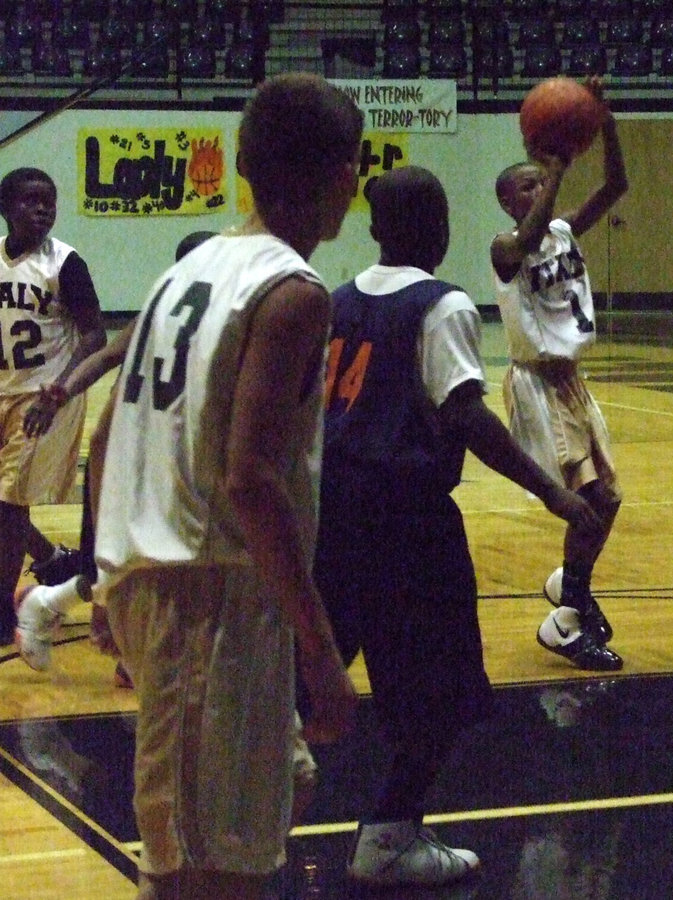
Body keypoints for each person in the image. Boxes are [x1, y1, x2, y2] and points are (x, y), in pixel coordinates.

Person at [93, 73, 361, 900]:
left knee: (266, 800)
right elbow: (249, 479)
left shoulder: (192, 265)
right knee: (206, 870)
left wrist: (106, 576)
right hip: (210, 596)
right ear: (343, 175)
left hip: (174, 586)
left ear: (243, 163)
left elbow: (108, 432)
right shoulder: (292, 294)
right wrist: (320, 649)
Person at [317, 166, 600, 888]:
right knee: (440, 695)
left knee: (307, 678)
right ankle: (388, 834)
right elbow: (465, 415)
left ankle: (237, 811)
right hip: (407, 524)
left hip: (334, 514)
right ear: (437, 228)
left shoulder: (340, 300)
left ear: (375, 230)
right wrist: (551, 494)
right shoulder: (440, 304)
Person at [14, 231, 216, 675]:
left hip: (162, 453)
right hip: (135, 452)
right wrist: (62, 392)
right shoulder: (165, 318)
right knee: (140, 559)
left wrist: (62, 391)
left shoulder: (184, 315)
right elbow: (106, 358)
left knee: (155, 560)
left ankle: (55, 605)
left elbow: (105, 358)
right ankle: (68, 611)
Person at [491, 77, 628, 672]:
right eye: (527, 184)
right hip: (535, 384)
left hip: (573, 381)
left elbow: (617, 185)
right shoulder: (504, 248)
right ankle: (566, 616)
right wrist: (556, 173)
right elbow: (529, 233)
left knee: (611, 499)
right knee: (587, 500)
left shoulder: (566, 230)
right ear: (510, 202)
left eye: (537, 178)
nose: (538, 186)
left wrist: (606, 121)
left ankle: (569, 585)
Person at [0, 167, 105, 645]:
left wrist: (60, 390)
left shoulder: (65, 263)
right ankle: (50, 560)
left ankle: (3, 613)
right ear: (7, 208)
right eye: (31, 201)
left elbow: (96, 337)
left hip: (43, 396)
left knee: (9, 503)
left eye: (49, 200)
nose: (43, 209)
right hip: (4, 387)